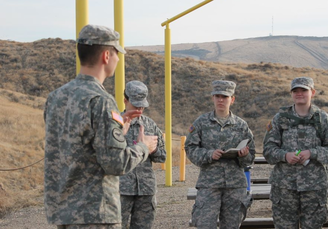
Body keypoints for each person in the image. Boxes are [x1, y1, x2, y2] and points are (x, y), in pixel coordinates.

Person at [44, 24, 158, 229]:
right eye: (117, 53)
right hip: (95, 213)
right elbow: (116, 163)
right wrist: (144, 147)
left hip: (63, 212)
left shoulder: (55, 97)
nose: (118, 59)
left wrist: (117, 130)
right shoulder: (101, 100)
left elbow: (75, 147)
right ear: (106, 55)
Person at [263, 77, 328, 229]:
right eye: (295, 91)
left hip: (314, 186)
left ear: (312, 92)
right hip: (284, 186)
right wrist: (285, 156)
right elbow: (268, 150)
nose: (299, 94)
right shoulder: (280, 119)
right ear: (291, 94)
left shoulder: (322, 119)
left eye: (303, 90)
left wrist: (312, 153)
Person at [185, 80, 256, 229]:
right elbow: (190, 149)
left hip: (235, 185)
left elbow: (251, 156)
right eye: (217, 96)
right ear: (213, 98)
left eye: (225, 96)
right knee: (205, 225)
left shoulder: (241, 125)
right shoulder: (201, 123)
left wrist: (243, 155)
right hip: (209, 185)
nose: (221, 100)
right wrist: (209, 154)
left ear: (232, 99)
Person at [119, 80, 166, 229]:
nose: (139, 110)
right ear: (125, 101)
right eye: (135, 105)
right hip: (121, 189)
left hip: (146, 189)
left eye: (142, 106)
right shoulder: (114, 124)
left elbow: (162, 156)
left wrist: (152, 149)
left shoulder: (150, 125)